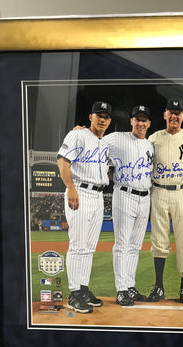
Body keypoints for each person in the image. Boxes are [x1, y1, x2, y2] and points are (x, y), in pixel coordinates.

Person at [57, 101, 111, 313]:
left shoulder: (104, 143)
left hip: (98, 196)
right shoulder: (78, 135)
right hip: (80, 192)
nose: (102, 118)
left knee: (88, 248)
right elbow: (62, 161)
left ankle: (83, 288)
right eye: (99, 114)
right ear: (91, 117)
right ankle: (74, 293)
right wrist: (70, 187)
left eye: (106, 116)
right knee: (78, 245)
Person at [147, 98, 183, 303]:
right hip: (159, 191)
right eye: (171, 112)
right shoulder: (154, 138)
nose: (175, 116)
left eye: (179, 112)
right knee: (159, 240)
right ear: (165, 115)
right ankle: (158, 286)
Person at [104, 105, 154, 306]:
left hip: (145, 197)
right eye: (137, 119)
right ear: (131, 121)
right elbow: (95, 143)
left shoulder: (150, 145)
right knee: (123, 244)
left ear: (149, 123)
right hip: (125, 194)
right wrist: (81, 132)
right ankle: (121, 289)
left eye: (144, 119)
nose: (141, 123)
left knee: (135, 246)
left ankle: (130, 286)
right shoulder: (117, 138)